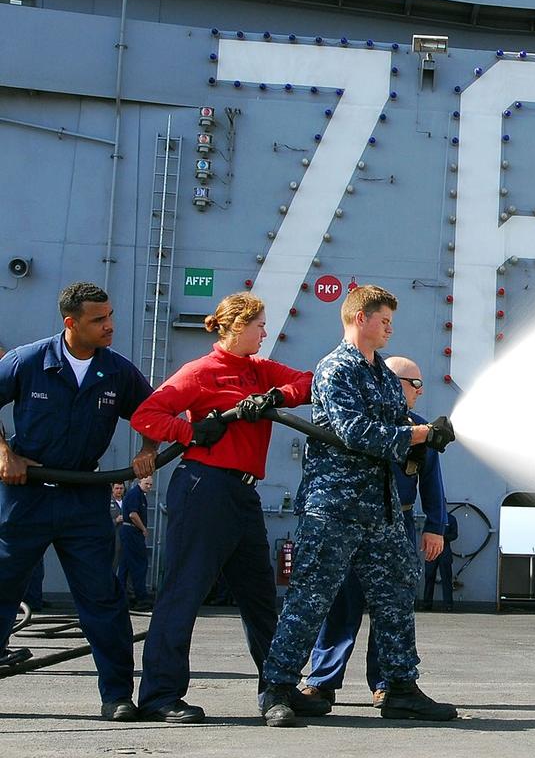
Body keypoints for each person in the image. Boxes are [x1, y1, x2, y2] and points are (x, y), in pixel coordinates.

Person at [258, 285, 457, 727]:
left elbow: (394, 426)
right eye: (384, 319)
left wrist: (422, 433)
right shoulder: (336, 369)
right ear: (361, 317)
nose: (389, 328)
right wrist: (418, 436)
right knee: (311, 598)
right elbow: (355, 432)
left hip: (381, 511)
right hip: (335, 508)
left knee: (396, 598)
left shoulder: (383, 374)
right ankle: (278, 689)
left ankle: (400, 686)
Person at [129, 292, 324, 724]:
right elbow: (146, 415)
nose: (265, 332)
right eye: (259, 326)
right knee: (184, 592)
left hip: (242, 495)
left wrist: (273, 397)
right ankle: (160, 696)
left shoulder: (259, 371)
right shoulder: (200, 373)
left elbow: (310, 383)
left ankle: (279, 687)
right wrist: (191, 431)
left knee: (259, 598)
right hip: (204, 488)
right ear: (237, 327)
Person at [0, 282, 157, 721]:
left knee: (102, 599)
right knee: (2, 587)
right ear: (71, 323)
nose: (110, 326)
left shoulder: (117, 371)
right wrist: (4, 453)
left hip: (84, 500)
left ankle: (117, 697)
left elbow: (153, 411)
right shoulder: (28, 361)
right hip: (26, 496)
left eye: (109, 316)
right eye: (98, 320)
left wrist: (146, 450)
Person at [301, 356, 448, 709]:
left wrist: (435, 527)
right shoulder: (361, 425)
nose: (420, 391)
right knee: (340, 603)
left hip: (397, 524)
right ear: (394, 382)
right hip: (351, 525)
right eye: (415, 384)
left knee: (392, 609)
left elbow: (432, 482)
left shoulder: (422, 430)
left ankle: (385, 684)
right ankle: (322, 680)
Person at [116, 476, 153, 610]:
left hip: (129, 532)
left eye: (150, 484)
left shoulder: (138, 495)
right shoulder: (135, 495)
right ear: (139, 482)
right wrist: (143, 528)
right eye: (147, 484)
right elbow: (132, 514)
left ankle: (121, 597)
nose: (149, 487)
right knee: (139, 564)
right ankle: (141, 597)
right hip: (133, 532)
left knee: (125, 566)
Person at [423, 512, 458, 613]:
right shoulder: (430, 519)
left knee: (446, 578)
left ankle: (448, 604)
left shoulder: (451, 519)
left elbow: (454, 535)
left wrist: (441, 537)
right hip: (432, 551)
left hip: (445, 551)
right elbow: (425, 532)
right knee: (429, 576)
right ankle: (427, 603)